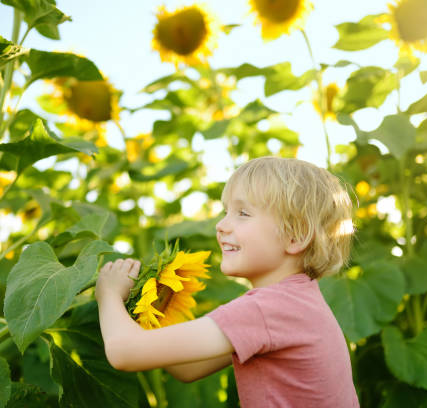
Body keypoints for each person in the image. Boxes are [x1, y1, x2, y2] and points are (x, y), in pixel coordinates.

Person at [95, 156, 359, 407]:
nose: (221, 225)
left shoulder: (266, 309)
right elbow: (189, 368)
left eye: (243, 213)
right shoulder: (297, 303)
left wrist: (108, 293)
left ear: (295, 235)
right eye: (226, 212)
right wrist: (154, 306)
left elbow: (123, 352)